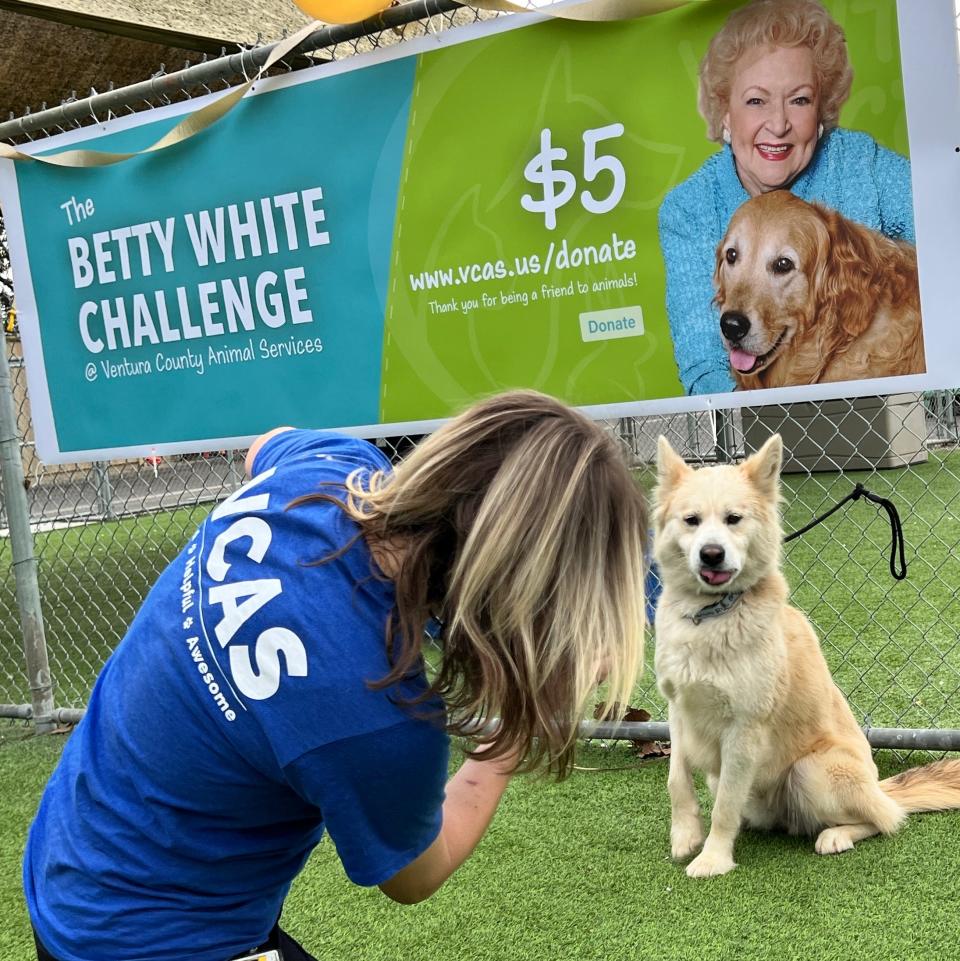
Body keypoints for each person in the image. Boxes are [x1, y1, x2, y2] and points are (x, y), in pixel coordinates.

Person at [24, 389, 648, 961]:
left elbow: (262, 446)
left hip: (65, 860)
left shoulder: (323, 468)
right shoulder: (378, 714)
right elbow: (417, 873)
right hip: (150, 941)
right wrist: (519, 727)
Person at [658, 0, 915, 395]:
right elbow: (704, 367)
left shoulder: (861, 163)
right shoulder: (690, 208)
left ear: (822, 108)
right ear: (724, 112)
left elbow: (949, 223)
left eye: (799, 100)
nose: (778, 125)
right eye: (756, 101)